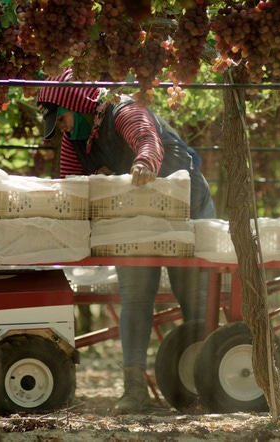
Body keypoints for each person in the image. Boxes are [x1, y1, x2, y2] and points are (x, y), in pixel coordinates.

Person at [37, 69, 216, 413]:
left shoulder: (123, 110)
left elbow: (147, 138)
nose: (60, 128)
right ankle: (135, 390)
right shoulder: (75, 143)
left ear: (76, 102)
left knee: (192, 293)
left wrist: (144, 162)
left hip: (186, 210)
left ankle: (205, 384)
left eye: (60, 119)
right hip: (135, 221)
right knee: (134, 296)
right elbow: (70, 188)